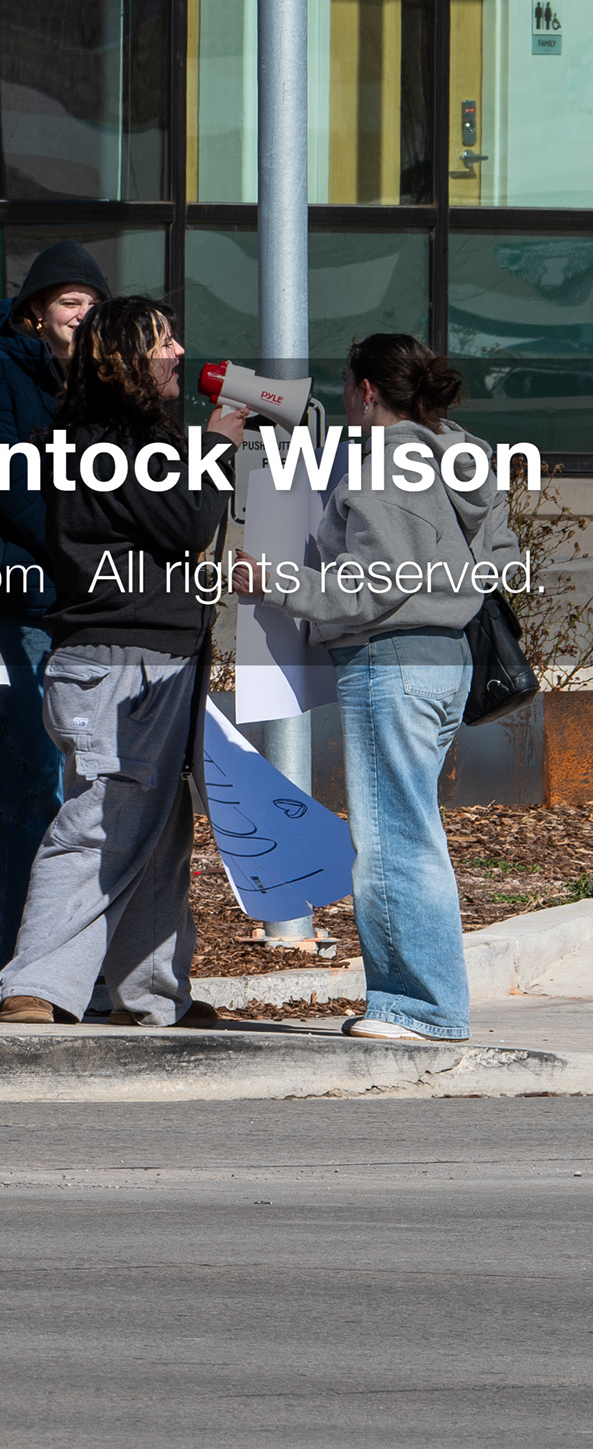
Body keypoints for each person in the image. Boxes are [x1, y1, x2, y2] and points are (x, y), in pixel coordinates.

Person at [239, 335, 518, 1044]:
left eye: (345, 388)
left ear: (366, 391)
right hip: (447, 658)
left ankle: (420, 1009)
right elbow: (501, 560)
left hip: (391, 662)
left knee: (394, 836)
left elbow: (369, 586)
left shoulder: (384, 467)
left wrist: (274, 583)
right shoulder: (465, 457)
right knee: (410, 829)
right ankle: (420, 1000)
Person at [0, 296, 243, 1028]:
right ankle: (34, 985)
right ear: (130, 358)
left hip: (146, 659)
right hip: (121, 666)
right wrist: (219, 444)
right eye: (164, 340)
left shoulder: (116, 436)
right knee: (102, 823)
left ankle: (152, 996)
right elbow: (187, 519)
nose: (178, 352)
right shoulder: (108, 437)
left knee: (158, 834)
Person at [0, 239, 105, 975]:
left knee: (91, 788)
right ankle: (19, 953)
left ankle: (76, 950)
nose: (82, 314)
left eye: (91, 303)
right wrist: (84, 535)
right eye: (70, 301)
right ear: (37, 311)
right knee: (27, 779)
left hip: (87, 603)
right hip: (16, 602)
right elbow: (5, 484)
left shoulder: (105, 378)